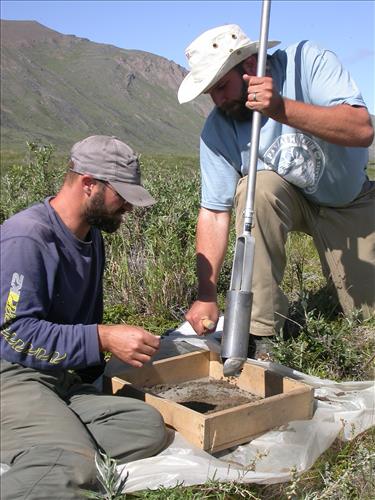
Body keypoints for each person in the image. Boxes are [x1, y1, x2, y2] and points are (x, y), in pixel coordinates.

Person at [178, 24, 375, 357]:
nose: (218, 100)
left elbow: (361, 130)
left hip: (348, 201)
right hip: (287, 199)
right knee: (257, 187)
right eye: (210, 91)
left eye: (222, 86)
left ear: (252, 66)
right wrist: (207, 295)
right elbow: (213, 213)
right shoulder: (217, 130)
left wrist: (280, 108)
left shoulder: (308, 62)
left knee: (366, 320)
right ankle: (263, 332)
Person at [0, 135, 168, 499]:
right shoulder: (27, 238)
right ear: (88, 183)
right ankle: (60, 457)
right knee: (74, 463)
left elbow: (84, 317)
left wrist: (93, 373)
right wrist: (103, 339)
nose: (127, 206)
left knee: (147, 426)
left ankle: (46, 444)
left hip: (58, 379)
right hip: (10, 375)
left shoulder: (92, 237)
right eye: (120, 194)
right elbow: (13, 335)